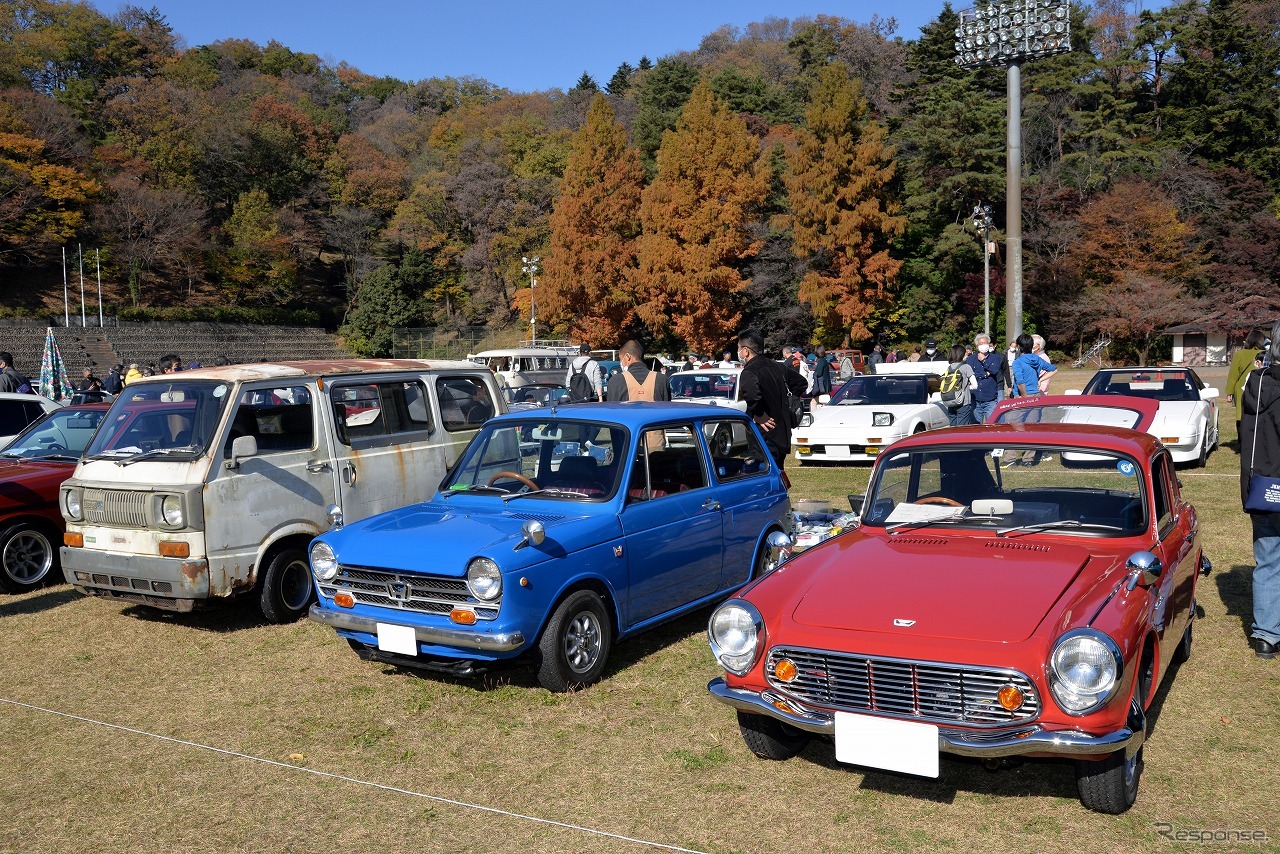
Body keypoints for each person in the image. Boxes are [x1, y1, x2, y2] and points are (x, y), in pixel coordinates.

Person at [1239, 321, 1280, 659]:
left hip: (1264, 483)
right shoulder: (1261, 379)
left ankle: (1266, 635)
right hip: (1268, 484)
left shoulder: (1257, 381)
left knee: (1268, 561)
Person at [738, 329, 807, 471]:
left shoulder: (749, 371)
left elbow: (751, 395)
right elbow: (801, 383)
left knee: (765, 475)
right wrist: (785, 401)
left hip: (764, 434)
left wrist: (759, 414)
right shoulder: (777, 366)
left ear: (746, 351)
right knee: (778, 472)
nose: (738, 352)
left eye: (738, 348)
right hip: (782, 431)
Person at [1229, 329, 1267, 432]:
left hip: (1242, 388)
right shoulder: (1266, 354)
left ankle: (1242, 441)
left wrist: (1229, 393)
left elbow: (1233, 375)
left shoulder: (1240, 354)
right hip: (1262, 388)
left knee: (1241, 415)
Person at [966, 333, 1006, 424]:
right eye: (980, 343)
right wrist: (986, 374)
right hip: (975, 399)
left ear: (988, 344)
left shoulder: (995, 358)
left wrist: (983, 360)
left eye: (985, 343)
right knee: (975, 427)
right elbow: (971, 375)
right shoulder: (971, 359)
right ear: (976, 346)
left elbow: (994, 370)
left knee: (992, 426)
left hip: (990, 398)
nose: (983, 345)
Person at [1012, 333, 1054, 397]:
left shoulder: (1018, 362)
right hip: (1036, 393)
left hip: (1021, 395)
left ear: (1018, 347)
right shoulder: (1038, 359)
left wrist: (1024, 397)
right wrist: (1040, 380)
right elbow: (1054, 370)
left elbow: (1020, 381)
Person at [942, 344, 976, 426]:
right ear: (962, 354)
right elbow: (975, 385)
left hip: (950, 400)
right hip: (963, 402)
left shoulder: (949, 368)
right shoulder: (966, 367)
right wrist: (967, 387)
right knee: (962, 429)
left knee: (953, 427)